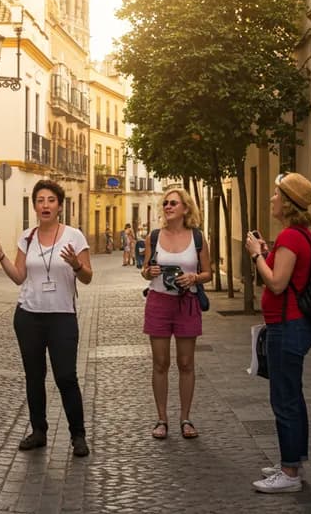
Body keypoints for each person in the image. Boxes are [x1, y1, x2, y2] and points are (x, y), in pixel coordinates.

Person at [0, 179, 93, 457]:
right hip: (28, 316)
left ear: (60, 206)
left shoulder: (74, 237)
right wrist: (1, 256)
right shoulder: (27, 237)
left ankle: (78, 435)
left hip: (62, 316)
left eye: (50, 200)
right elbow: (19, 277)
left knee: (66, 377)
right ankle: (38, 431)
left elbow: (88, 277)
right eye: (40, 200)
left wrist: (76, 265)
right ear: (35, 206)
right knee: (34, 376)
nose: (45, 205)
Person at [244, 172, 311, 494]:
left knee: (284, 400)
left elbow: (276, 282)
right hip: (289, 325)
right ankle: (292, 461)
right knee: (292, 397)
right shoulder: (298, 235)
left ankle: (289, 473)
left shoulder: (290, 237)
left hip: (288, 326)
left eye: (276, 195)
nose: (271, 199)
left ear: (287, 204)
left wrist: (257, 254)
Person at [141, 188, 212, 440]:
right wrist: (148, 273)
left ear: (185, 208)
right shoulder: (154, 236)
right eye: (166, 203)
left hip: (187, 303)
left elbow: (208, 273)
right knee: (160, 363)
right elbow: (145, 269)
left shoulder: (197, 237)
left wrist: (194, 277)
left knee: (186, 363)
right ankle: (162, 419)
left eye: (173, 203)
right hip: (159, 302)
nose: (168, 206)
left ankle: (185, 418)